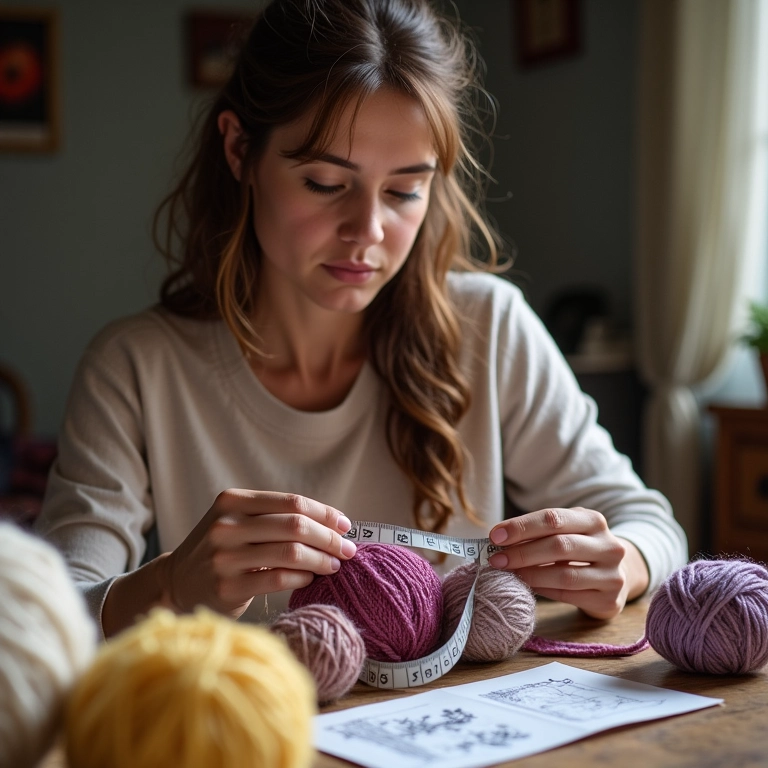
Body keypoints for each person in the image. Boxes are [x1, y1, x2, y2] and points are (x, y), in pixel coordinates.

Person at [36, 0, 687, 640]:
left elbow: (647, 521)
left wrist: (620, 564)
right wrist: (172, 586)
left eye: (405, 190)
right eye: (324, 181)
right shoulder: (134, 367)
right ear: (239, 150)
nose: (368, 232)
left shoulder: (488, 326)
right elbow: (44, 620)